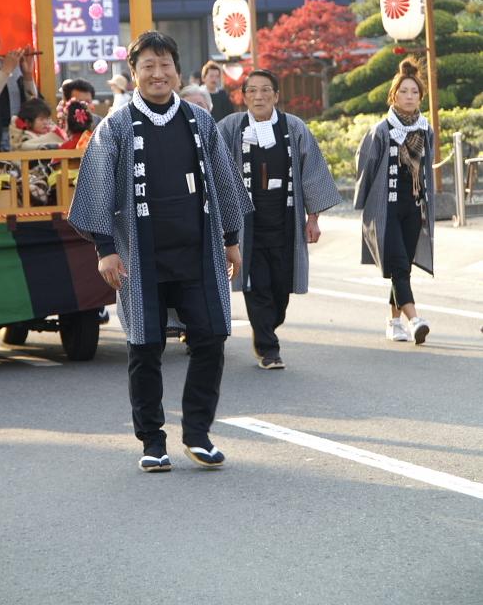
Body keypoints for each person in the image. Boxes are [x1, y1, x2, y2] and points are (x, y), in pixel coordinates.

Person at [68, 31, 252, 473]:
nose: (157, 73)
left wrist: (230, 239)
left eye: (164, 64)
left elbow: (224, 183)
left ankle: (198, 434)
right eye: (147, 65)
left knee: (211, 337)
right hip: (139, 256)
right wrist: (106, 250)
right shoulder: (113, 125)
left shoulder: (199, 120)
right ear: (134, 74)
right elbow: (96, 190)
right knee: (145, 347)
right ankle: (152, 439)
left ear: (176, 68)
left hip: (198, 251)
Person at [219, 69, 341, 370]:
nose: (258, 96)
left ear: (276, 95)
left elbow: (311, 172)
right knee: (254, 282)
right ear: (243, 96)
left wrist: (313, 218)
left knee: (280, 288)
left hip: (285, 220)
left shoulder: (293, 127)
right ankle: (268, 348)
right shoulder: (231, 127)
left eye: (265, 90)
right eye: (251, 91)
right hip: (246, 224)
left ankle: (269, 325)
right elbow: (212, 164)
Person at [354, 56, 434, 345]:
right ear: (393, 96)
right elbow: (365, 166)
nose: (409, 96)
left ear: (420, 97)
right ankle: (415, 320)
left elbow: (427, 169)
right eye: (404, 92)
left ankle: (393, 321)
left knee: (404, 268)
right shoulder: (382, 130)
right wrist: (365, 208)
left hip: (413, 208)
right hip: (385, 210)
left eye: (414, 92)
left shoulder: (425, 130)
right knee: (399, 265)